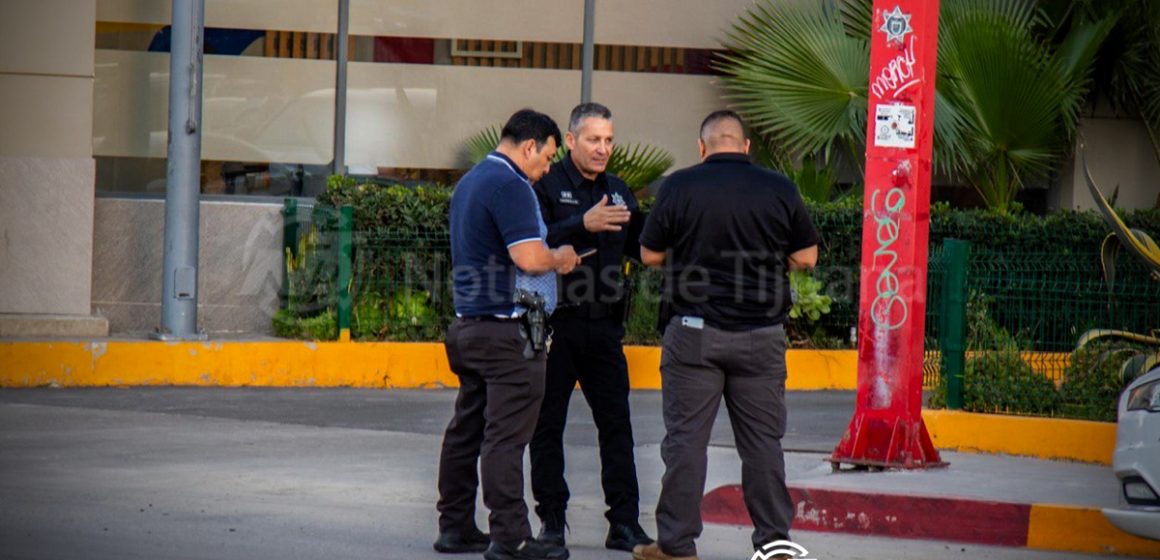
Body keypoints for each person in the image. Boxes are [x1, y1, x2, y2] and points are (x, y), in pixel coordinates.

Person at [633, 110, 820, 560]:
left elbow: (649, 254)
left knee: (686, 443)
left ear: (702, 147)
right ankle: (774, 541)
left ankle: (676, 545)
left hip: (694, 334)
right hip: (762, 335)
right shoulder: (778, 187)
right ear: (746, 146)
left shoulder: (679, 186)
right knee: (762, 445)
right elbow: (808, 256)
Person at [434, 109, 581, 560]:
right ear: (529, 145)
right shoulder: (512, 186)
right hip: (506, 332)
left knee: (467, 429)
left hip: (468, 326)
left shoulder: (471, 181)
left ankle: (455, 526)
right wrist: (561, 257)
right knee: (506, 436)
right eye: (549, 156)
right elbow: (530, 257)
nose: (549, 167)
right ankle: (511, 537)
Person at [528, 103, 654, 552]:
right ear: (569, 140)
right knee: (547, 427)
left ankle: (624, 523)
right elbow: (534, 241)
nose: (603, 149)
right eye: (593, 140)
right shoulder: (545, 185)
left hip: (604, 328)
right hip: (556, 325)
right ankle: (552, 522)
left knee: (617, 426)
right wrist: (582, 223)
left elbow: (644, 248)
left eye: (609, 140)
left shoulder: (619, 191)